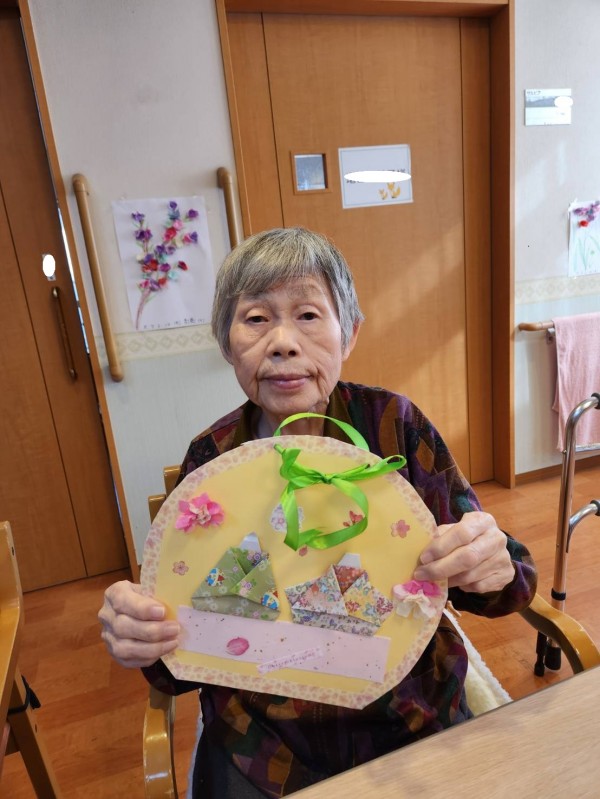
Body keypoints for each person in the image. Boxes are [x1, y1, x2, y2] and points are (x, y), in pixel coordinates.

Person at [99, 227, 537, 798]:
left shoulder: (394, 426)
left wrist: (490, 566)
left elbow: (508, 586)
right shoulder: (213, 458)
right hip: (264, 740)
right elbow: (181, 645)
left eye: (308, 314)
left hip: (408, 716)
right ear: (227, 344)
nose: (282, 342)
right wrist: (141, 633)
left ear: (348, 333)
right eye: (256, 318)